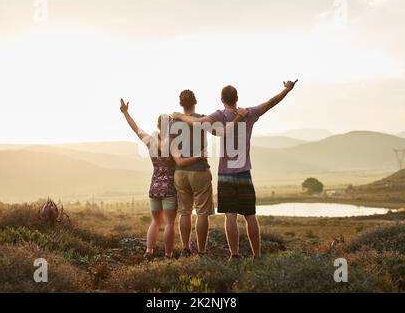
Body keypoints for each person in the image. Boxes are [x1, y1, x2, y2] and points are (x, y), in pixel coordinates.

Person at [172, 80, 298, 260]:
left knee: (230, 216)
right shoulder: (249, 113)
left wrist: (180, 116)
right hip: (244, 172)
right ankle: (257, 255)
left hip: (225, 173)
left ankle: (235, 255)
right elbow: (271, 103)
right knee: (250, 216)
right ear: (237, 98)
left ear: (222, 99)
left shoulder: (219, 115)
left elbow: (198, 122)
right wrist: (286, 89)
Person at [119, 99, 204, 260]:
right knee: (170, 223)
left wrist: (125, 112)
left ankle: (149, 252)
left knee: (155, 222)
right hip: (169, 188)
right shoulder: (173, 143)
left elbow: (136, 128)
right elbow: (182, 159)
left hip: (154, 186)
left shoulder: (150, 141)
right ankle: (168, 255)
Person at [170, 90, 214, 257]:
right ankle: (201, 251)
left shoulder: (173, 123)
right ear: (195, 101)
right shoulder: (201, 118)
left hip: (180, 173)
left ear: (181, 104)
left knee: (184, 212)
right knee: (202, 213)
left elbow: (172, 149)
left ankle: (186, 249)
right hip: (199, 170)